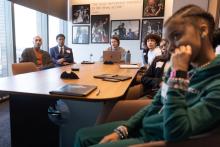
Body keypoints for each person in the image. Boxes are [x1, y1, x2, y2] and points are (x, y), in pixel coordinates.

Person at [74, 5, 220, 147]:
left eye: (176, 36)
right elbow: (156, 104)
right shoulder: (178, 68)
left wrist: (178, 77)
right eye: (167, 41)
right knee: (82, 135)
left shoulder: (210, 80)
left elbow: (176, 131)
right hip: (145, 126)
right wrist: (124, 129)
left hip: (156, 138)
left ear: (203, 30)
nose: (169, 48)